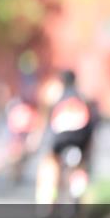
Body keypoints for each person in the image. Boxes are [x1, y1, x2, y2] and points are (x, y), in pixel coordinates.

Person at [35, 70, 97, 205]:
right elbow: (92, 124)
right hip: (80, 139)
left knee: (51, 164)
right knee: (81, 165)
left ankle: (48, 200)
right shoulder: (83, 98)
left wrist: (40, 141)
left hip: (59, 139)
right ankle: (78, 190)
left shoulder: (56, 98)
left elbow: (48, 124)